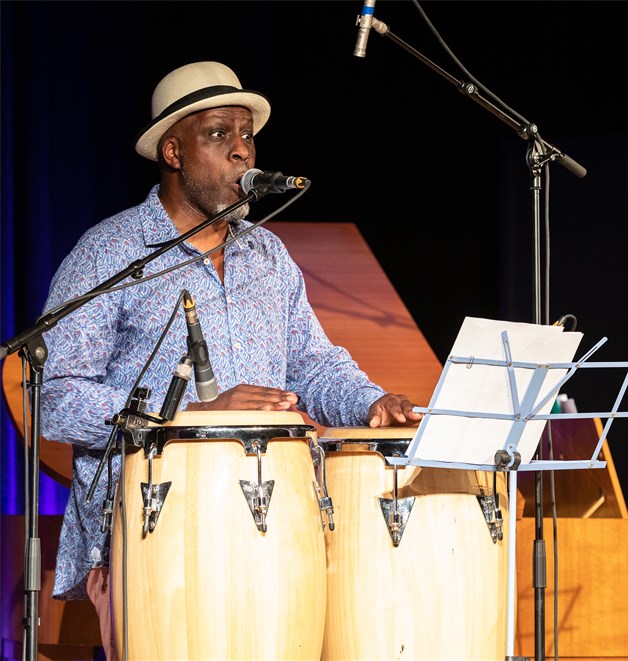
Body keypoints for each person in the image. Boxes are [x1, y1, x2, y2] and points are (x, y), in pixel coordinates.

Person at [39, 61, 422, 660]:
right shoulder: (110, 253)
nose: (242, 151)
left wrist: (373, 400)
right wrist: (191, 414)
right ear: (173, 150)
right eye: (219, 134)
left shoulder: (268, 254)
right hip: (151, 526)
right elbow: (56, 399)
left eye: (247, 134)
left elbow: (315, 366)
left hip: (278, 519)